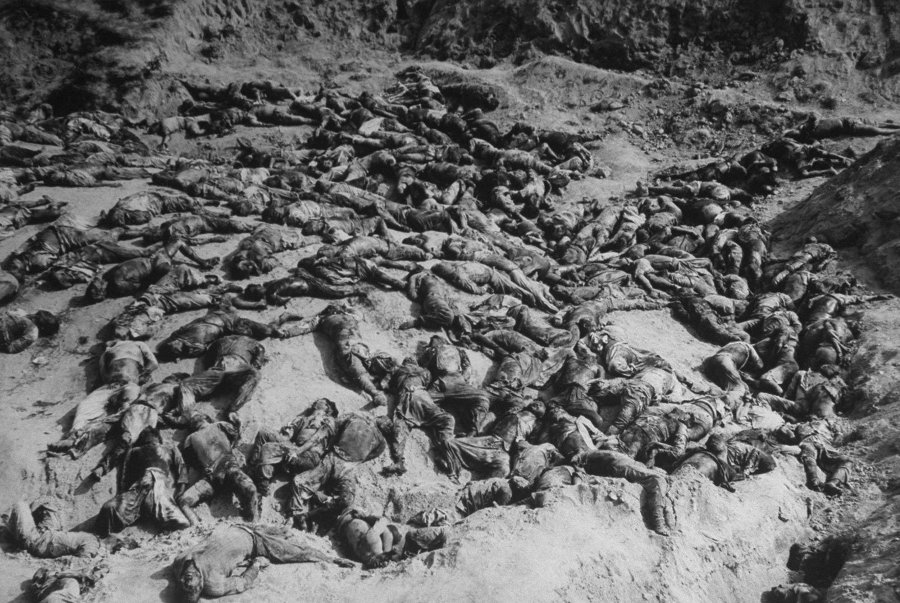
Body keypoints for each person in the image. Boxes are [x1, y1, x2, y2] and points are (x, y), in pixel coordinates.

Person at [172, 523, 353, 601]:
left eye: (188, 577)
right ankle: (331, 559)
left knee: (284, 531)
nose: (190, 574)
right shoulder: (214, 585)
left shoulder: (179, 562)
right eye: (194, 581)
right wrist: (256, 565)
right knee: (296, 551)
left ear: (181, 579)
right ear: (201, 585)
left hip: (236, 527)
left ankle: (287, 527)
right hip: (254, 542)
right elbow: (242, 583)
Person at [277, 304, 387, 405]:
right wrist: (286, 333)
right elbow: (306, 327)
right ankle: (376, 392)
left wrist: (346, 307)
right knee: (358, 368)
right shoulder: (324, 318)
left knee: (375, 364)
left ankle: (380, 388)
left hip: (355, 346)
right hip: (351, 346)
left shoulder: (340, 317)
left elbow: (358, 313)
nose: (335, 309)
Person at [96, 428, 191, 535]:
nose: (149, 437)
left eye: (151, 435)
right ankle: (107, 535)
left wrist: (181, 489)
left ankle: (152, 518)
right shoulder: (133, 451)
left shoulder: (169, 448)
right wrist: (123, 497)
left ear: (158, 438)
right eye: (145, 435)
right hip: (138, 489)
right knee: (109, 507)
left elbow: (181, 466)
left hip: (159, 488)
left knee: (180, 522)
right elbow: (125, 475)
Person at [178, 413, 259, 524]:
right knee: (250, 489)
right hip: (226, 472)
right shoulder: (219, 425)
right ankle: (253, 520)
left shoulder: (191, 438)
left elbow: (192, 462)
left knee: (184, 501)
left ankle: (196, 524)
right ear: (206, 418)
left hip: (215, 476)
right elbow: (236, 437)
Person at [571, 449, 669, 535]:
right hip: (621, 466)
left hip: (620, 465)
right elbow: (603, 455)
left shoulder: (595, 454)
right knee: (657, 479)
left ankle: (658, 520)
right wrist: (580, 460)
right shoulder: (588, 455)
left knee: (657, 478)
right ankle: (658, 522)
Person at [335, 509, 449, 568]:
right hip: (409, 541)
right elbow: (384, 523)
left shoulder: (358, 549)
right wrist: (366, 516)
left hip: (403, 546)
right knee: (443, 532)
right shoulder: (371, 537)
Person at [7, 498, 100, 558]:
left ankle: (5, 530)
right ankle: (33, 514)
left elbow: (83, 560)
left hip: (37, 541)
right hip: (52, 532)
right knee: (53, 505)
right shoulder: (92, 539)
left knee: (20, 505)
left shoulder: (92, 544)